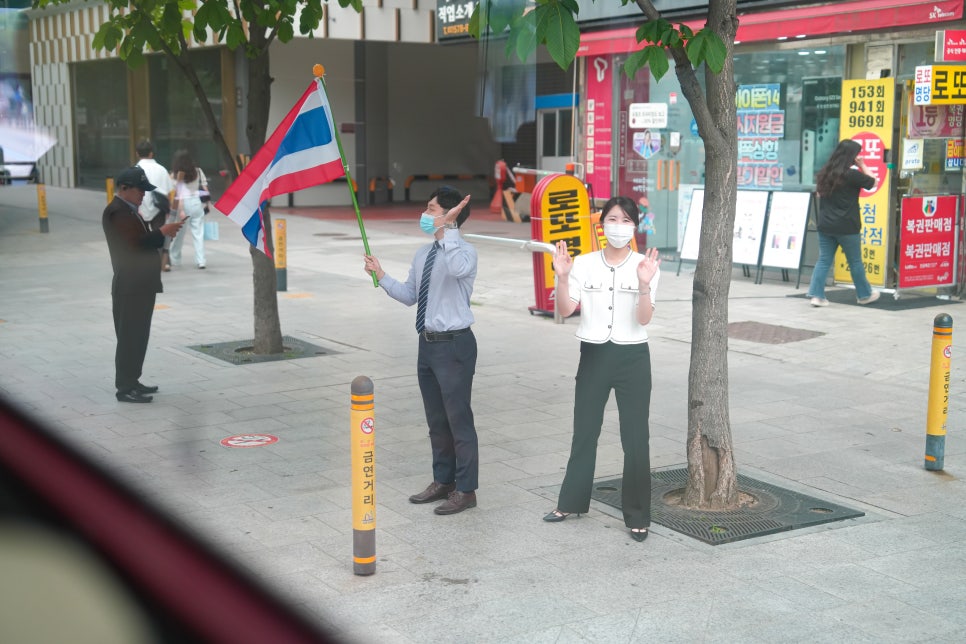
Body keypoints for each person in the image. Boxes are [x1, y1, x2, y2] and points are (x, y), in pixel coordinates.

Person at [543, 195, 662, 542]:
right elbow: (566, 311)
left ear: (635, 227)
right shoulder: (583, 264)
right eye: (613, 219)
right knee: (584, 431)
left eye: (626, 221)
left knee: (636, 439)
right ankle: (571, 501)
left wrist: (643, 285)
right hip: (594, 355)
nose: (619, 227)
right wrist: (562, 278)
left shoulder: (647, 265)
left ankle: (638, 515)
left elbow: (644, 318)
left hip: (633, 358)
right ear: (602, 224)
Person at [362, 187, 478, 516]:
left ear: (448, 215)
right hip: (427, 344)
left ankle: (466, 489)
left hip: (455, 344)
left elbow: (455, 269)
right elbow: (410, 294)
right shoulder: (422, 255)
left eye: (431, 209)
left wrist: (451, 230)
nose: (424, 214)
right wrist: (381, 275)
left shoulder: (466, 253)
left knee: (459, 420)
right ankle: (443, 481)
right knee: (436, 420)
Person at [103, 166, 183, 403]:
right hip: (130, 286)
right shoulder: (117, 211)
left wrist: (163, 232)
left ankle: (133, 380)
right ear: (124, 188)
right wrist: (163, 231)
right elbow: (135, 243)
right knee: (129, 337)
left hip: (140, 285)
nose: (143, 195)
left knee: (139, 335)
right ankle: (125, 388)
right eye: (140, 190)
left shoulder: (130, 210)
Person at [807, 139, 881, 307]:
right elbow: (874, 182)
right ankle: (865, 295)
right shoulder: (852, 175)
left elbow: (819, 195)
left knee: (824, 260)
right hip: (847, 226)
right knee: (854, 261)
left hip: (825, 225)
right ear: (852, 157)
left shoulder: (824, 173)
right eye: (857, 155)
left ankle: (816, 296)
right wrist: (863, 165)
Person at [135, 139, 174, 271]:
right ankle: (164, 262)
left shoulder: (134, 170)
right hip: (159, 207)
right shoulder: (161, 169)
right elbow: (170, 190)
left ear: (137, 154)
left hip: (140, 207)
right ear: (151, 154)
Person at [168, 149, 210, 269]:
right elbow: (205, 189)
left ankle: (175, 259)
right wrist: (207, 204)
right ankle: (201, 260)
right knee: (198, 233)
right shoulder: (198, 171)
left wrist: (181, 210)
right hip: (196, 202)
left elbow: (178, 194)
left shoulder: (174, 175)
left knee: (179, 235)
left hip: (183, 204)